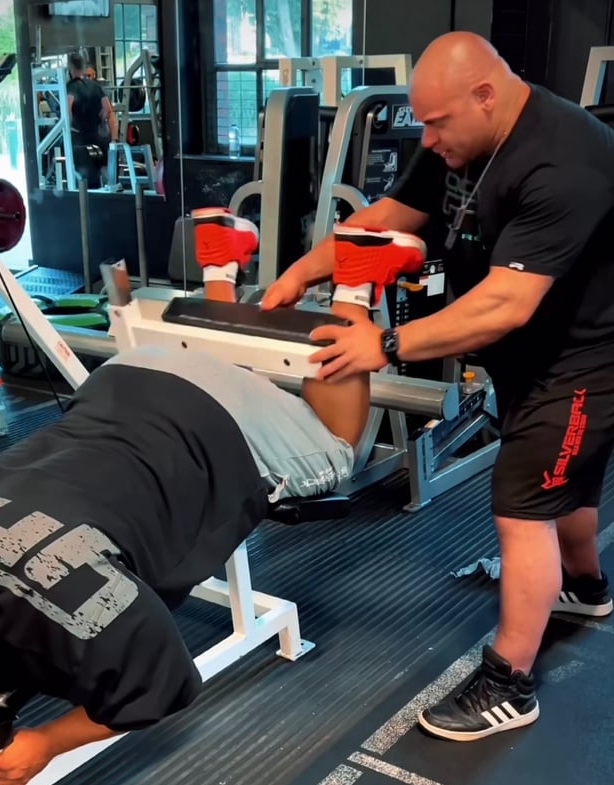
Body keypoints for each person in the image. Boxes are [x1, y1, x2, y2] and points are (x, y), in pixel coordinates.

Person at [0, 210, 423, 785]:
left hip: (220, 419)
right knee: (219, 371)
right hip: (128, 375)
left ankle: (356, 281)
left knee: (338, 451)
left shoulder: (78, 589)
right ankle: (218, 261)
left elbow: (166, 684)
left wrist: (46, 743)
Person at [262, 31, 614, 742]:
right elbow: (384, 221)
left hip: (585, 357)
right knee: (560, 482)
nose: (426, 138)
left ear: (484, 95)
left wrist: (385, 344)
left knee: (522, 502)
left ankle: (509, 684)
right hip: (532, 351)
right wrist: (300, 271)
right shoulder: (462, 139)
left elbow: (504, 304)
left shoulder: (564, 160)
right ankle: (583, 587)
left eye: (437, 122)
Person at [66, 51, 118, 187]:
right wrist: (114, 139)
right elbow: (108, 110)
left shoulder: (70, 87)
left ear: (70, 68)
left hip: (81, 141)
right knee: (105, 176)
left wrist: (68, 126)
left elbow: (67, 111)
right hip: (99, 140)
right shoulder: (95, 86)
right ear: (83, 68)